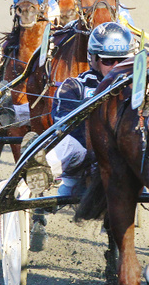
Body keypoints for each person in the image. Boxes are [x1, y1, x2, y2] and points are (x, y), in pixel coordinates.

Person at [24, 21, 137, 196]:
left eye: (122, 60)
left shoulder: (141, 87)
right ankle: (37, 170)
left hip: (129, 157)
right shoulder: (74, 86)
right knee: (67, 142)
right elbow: (64, 126)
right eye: (108, 60)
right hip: (83, 159)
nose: (116, 66)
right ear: (94, 59)